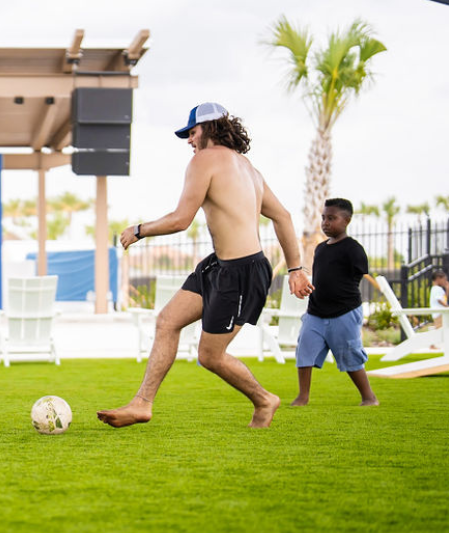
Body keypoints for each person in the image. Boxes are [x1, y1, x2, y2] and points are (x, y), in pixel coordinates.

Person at [97, 103, 312, 429]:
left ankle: (264, 399)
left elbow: (182, 219)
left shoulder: (203, 161)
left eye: (192, 132)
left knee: (210, 356)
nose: (188, 141)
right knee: (167, 321)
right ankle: (141, 404)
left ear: (210, 128)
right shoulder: (249, 168)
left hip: (241, 272)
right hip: (220, 265)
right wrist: (295, 269)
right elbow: (282, 216)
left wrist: (139, 230)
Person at [290, 198, 378, 407]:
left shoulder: (353, 248)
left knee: (350, 355)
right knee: (304, 351)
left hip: (344, 312)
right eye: (323, 218)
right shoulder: (320, 249)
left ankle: (369, 397)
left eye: (332, 218)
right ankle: (303, 396)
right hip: (315, 312)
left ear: (346, 220)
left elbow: (358, 276)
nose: (325, 222)